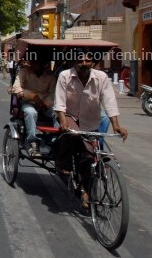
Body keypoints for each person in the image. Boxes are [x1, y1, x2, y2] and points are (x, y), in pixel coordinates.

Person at [53, 50, 128, 211]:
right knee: (72, 135)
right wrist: (63, 120)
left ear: (93, 62)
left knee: (89, 156)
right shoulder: (65, 76)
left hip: (90, 119)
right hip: (68, 116)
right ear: (74, 62)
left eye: (88, 60)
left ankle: (85, 191)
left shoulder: (101, 78)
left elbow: (109, 101)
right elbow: (59, 101)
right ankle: (62, 160)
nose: (84, 63)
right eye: (80, 61)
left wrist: (116, 125)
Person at [9, 58, 56, 157]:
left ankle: (55, 141)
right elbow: (16, 88)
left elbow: (52, 93)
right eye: (35, 62)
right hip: (28, 102)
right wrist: (33, 97)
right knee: (31, 112)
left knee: (58, 112)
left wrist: (45, 104)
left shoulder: (50, 76)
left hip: (45, 104)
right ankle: (33, 142)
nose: (37, 65)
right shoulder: (24, 72)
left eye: (40, 62)